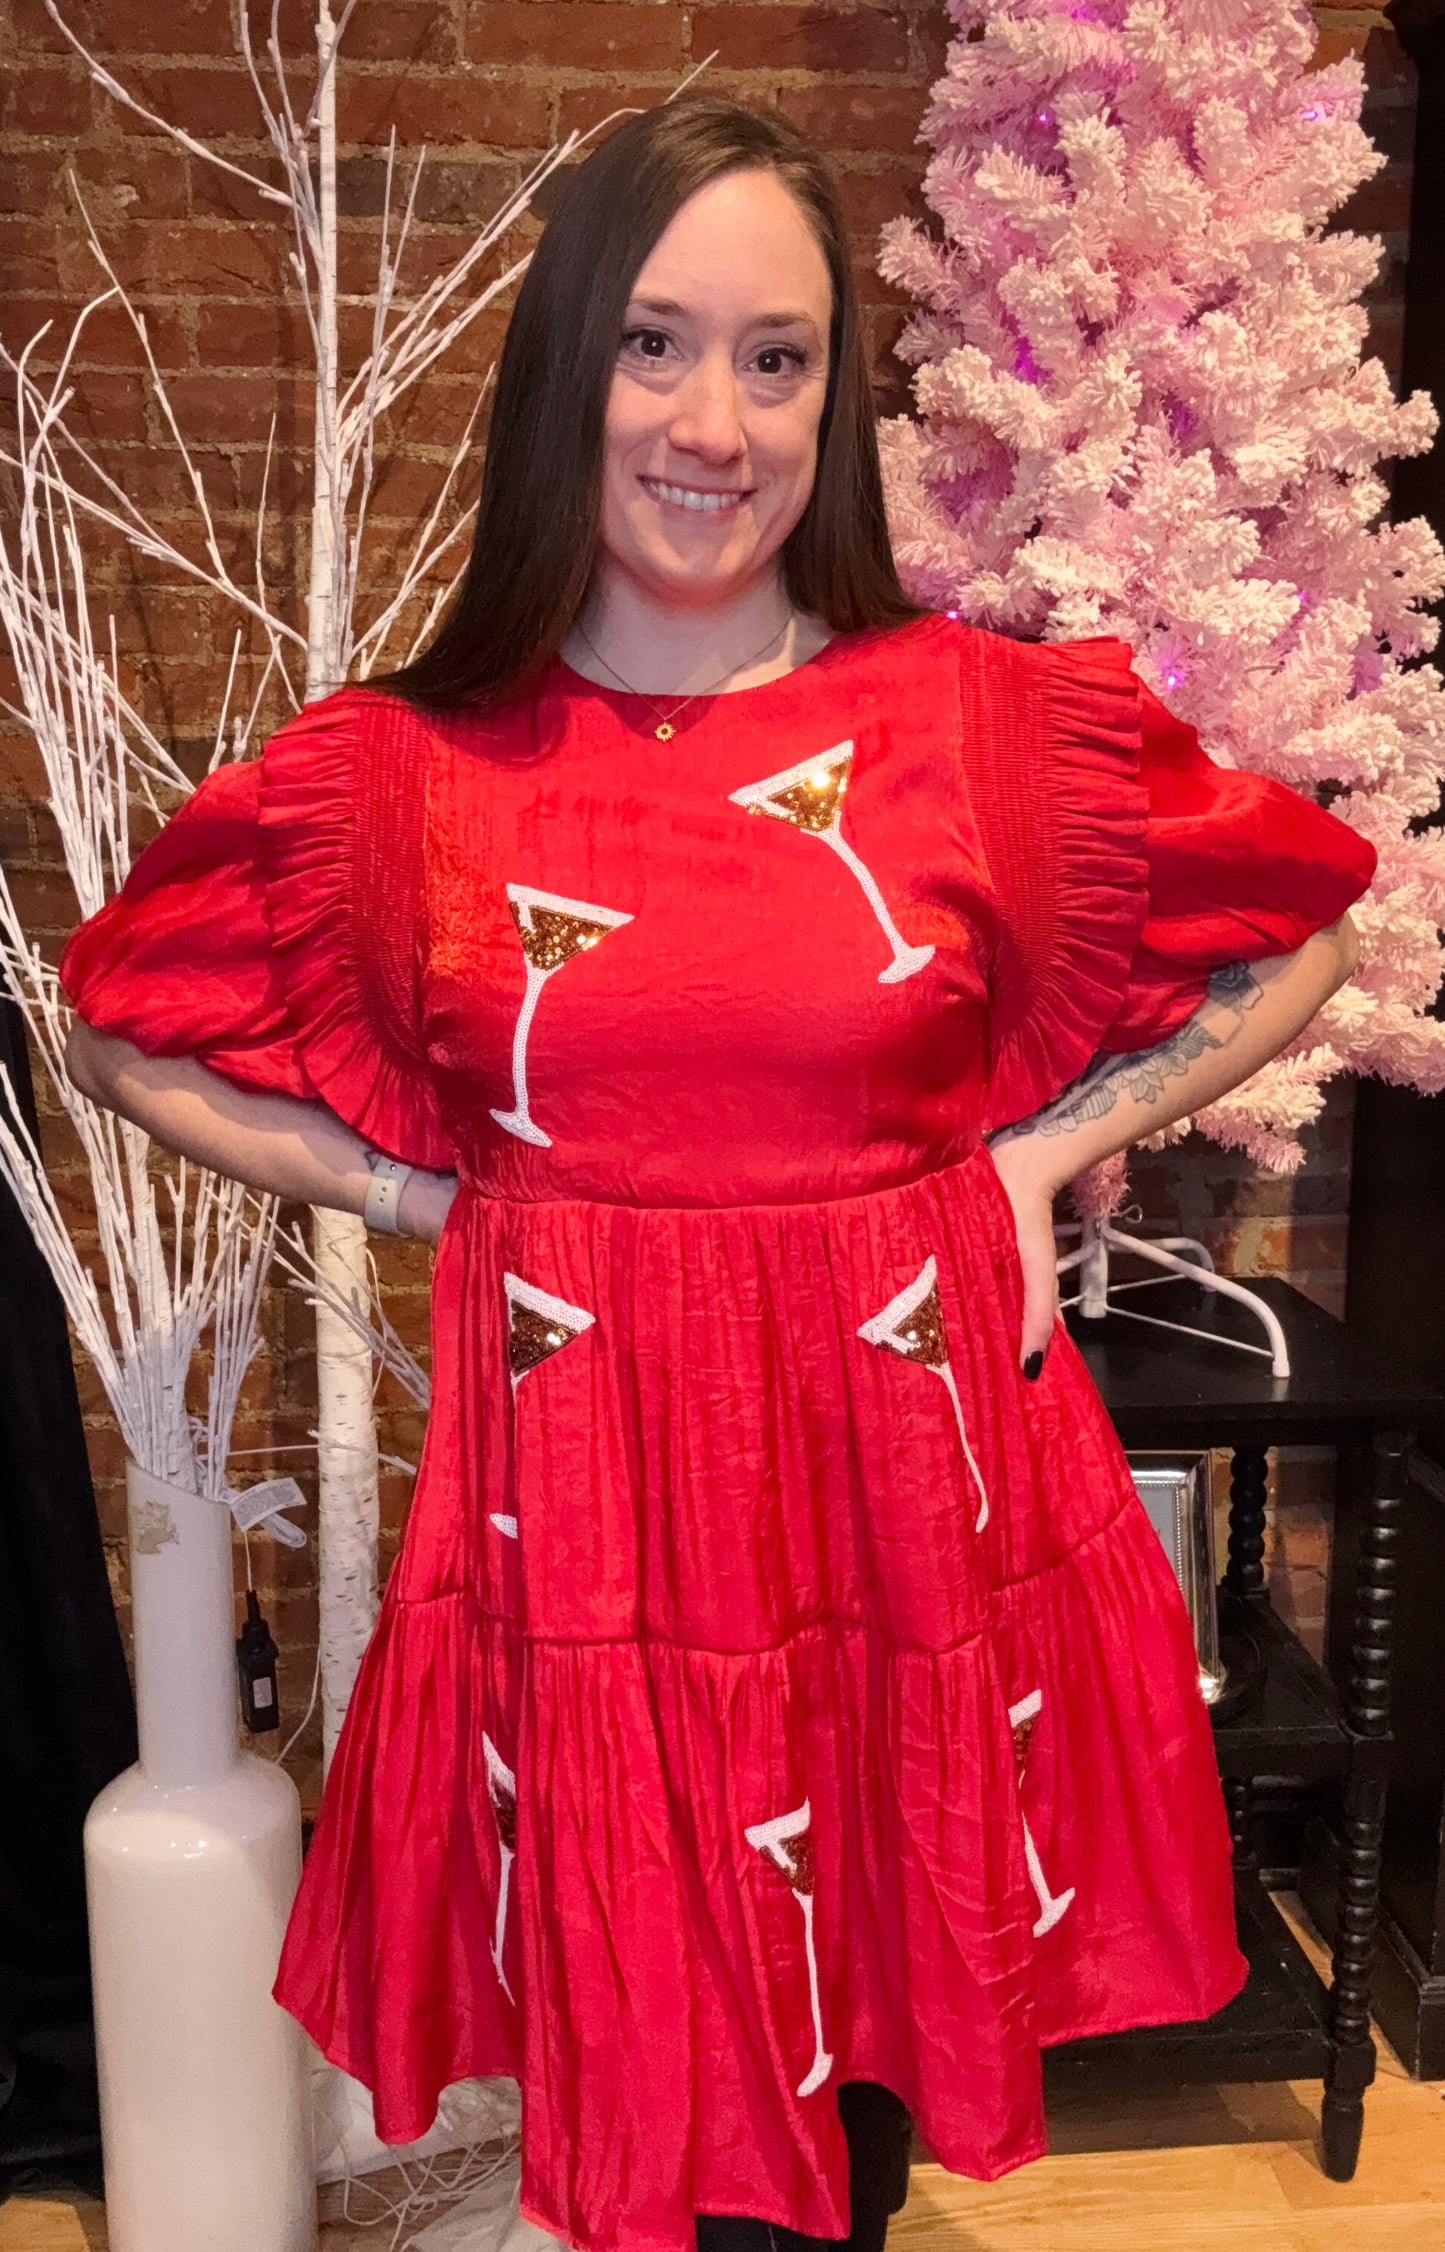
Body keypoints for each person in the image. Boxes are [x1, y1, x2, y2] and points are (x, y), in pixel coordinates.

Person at [60, 96, 1373, 2252]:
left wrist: (1043, 1150)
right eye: (655, 343)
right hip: (585, 1513)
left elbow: (1303, 925)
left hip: (894, 1489)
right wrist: (421, 1202)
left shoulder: (972, 724)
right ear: (564, 362)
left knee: (850, 2045)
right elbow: (127, 1027)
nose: (715, 419)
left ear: (834, 403)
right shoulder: (401, 775)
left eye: (779, 358)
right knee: (635, 2045)